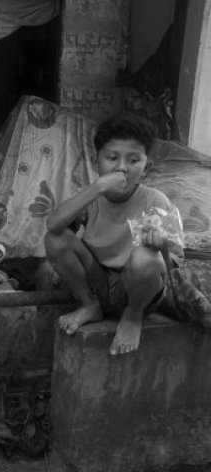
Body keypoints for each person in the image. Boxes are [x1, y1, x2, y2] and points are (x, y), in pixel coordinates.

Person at [44, 113, 182, 355]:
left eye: (133, 160)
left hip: (137, 290)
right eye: (112, 158)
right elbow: (53, 225)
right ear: (96, 162)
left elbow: (171, 269)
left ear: (146, 168)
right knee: (55, 239)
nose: (121, 167)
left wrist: (160, 245)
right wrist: (98, 187)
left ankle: (132, 317)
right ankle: (90, 305)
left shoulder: (155, 201)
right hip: (97, 283)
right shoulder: (91, 197)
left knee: (145, 257)